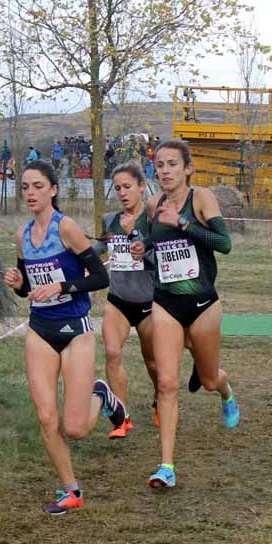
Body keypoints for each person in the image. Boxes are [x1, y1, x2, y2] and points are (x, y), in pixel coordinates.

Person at [3, 160, 127, 516]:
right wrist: (18, 285)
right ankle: (71, 489)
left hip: (75, 330)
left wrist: (63, 285)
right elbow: (29, 288)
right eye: (25, 187)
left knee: (75, 428)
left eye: (38, 186)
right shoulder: (22, 236)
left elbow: (101, 278)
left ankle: (102, 395)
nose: (31, 193)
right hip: (41, 329)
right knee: (46, 418)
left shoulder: (67, 228)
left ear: (53, 190)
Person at [128, 139, 238, 489]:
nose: (165, 171)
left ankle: (225, 390)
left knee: (207, 380)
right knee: (166, 382)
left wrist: (183, 224)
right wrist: (139, 245)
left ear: (188, 168)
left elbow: (225, 244)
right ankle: (166, 466)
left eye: (172, 164)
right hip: (166, 302)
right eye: (159, 165)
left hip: (203, 302)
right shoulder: (152, 204)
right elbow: (143, 236)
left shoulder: (201, 197)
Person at [93, 163, 159, 439]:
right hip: (118, 299)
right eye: (117, 188)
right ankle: (121, 417)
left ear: (141, 187)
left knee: (153, 361)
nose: (122, 193)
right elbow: (98, 248)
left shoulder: (153, 219)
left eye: (127, 187)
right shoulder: (110, 220)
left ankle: (160, 400)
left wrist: (143, 252)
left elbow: (164, 259)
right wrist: (74, 255)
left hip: (150, 302)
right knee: (112, 353)